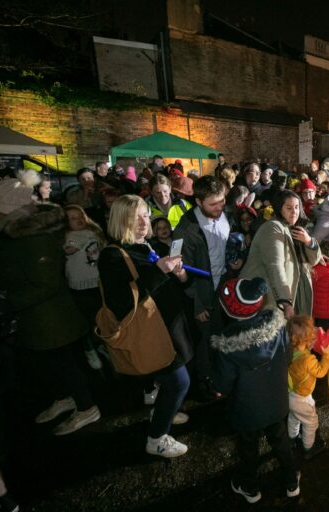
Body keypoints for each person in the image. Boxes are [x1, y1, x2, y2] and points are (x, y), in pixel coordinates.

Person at [0, 179, 100, 436]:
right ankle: (65, 398)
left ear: (3, 206)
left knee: (64, 365)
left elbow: (46, 284)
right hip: (36, 319)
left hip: (51, 320)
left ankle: (87, 408)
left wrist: (4, 302)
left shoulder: (34, 235)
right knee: (46, 366)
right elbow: (4, 262)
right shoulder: (10, 229)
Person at [98, 195, 193, 457]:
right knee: (179, 383)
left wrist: (180, 274)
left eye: (145, 215)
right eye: (135, 216)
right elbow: (121, 303)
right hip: (150, 334)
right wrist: (159, 272)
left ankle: (164, 409)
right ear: (121, 219)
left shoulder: (147, 245)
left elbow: (173, 285)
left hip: (167, 328)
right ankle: (156, 438)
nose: (144, 221)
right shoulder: (113, 255)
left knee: (172, 383)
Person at [211, 277, 300, 503]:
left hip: (247, 410)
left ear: (230, 312)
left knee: (248, 448)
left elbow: (222, 385)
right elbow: (288, 355)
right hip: (276, 401)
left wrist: (217, 389)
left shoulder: (228, 346)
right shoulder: (277, 327)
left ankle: (250, 487)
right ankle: (292, 480)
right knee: (280, 441)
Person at [172, 176, 230, 401]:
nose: (219, 208)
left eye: (222, 201)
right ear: (198, 201)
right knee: (203, 342)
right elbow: (179, 271)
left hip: (223, 288)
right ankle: (204, 383)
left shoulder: (226, 214)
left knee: (222, 336)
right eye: (213, 204)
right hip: (201, 294)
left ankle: (222, 376)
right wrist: (196, 304)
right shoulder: (184, 230)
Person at [240, 190, 321, 319]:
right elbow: (275, 266)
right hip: (274, 297)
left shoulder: (296, 229)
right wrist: (285, 302)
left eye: (296, 207)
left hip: (293, 292)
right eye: (288, 208)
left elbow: (314, 261)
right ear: (279, 208)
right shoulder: (273, 228)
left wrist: (309, 242)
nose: (294, 212)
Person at [63, 205, 106, 370]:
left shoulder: (94, 232)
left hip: (98, 282)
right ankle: (89, 349)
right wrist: (80, 240)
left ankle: (103, 344)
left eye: (79, 215)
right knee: (86, 320)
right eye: (72, 218)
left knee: (102, 316)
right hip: (80, 286)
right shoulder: (68, 236)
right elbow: (69, 248)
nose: (78, 220)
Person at [287, 315, 329, 456]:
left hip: (290, 394)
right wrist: (326, 357)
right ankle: (308, 447)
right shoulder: (308, 360)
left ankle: (291, 437)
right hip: (302, 398)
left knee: (294, 417)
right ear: (306, 340)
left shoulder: (291, 351)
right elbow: (320, 372)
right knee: (311, 422)